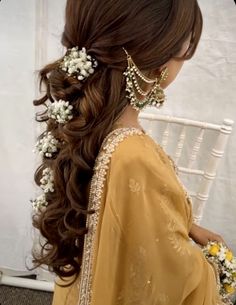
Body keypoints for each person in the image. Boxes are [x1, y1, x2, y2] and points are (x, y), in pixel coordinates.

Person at [31, 0, 231, 304]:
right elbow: (165, 280)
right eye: (185, 48)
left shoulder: (87, 126)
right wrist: (216, 265)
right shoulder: (134, 154)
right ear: (155, 60)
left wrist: (185, 227)